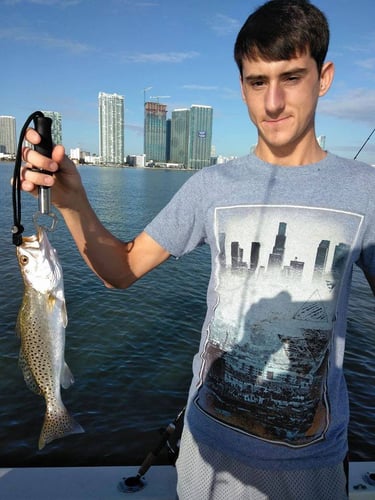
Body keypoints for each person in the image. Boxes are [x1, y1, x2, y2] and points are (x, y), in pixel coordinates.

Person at [19, 0, 375, 498]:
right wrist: (72, 200)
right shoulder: (209, 185)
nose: (273, 102)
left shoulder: (366, 190)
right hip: (205, 459)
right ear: (242, 87)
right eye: (257, 82)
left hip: (310, 466)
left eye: (291, 77)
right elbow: (119, 271)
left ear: (325, 76)